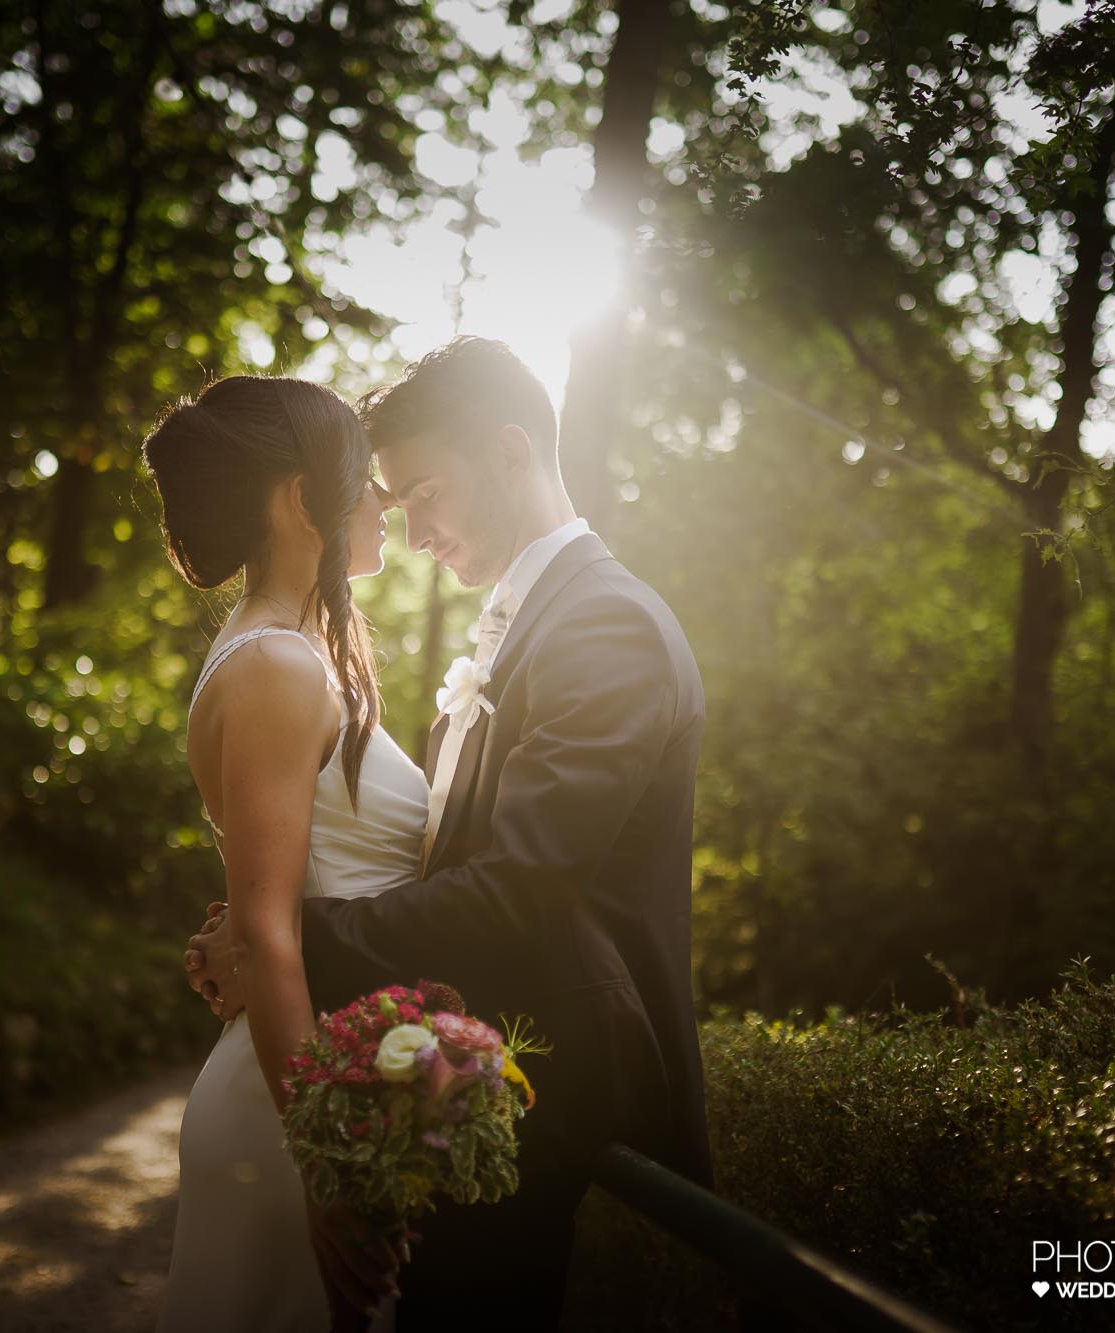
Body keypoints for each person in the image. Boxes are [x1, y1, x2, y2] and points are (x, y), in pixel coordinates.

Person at [185, 337, 710, 1331]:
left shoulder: (603, 624)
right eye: (393, 498)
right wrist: (268, 936)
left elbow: (518, 885)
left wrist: (290, 940)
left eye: (422, 491)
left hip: (559, 1100)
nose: (408, 527)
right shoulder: (524, 623)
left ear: (510, 452)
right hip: (468, 1090)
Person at [148, 375, 416, 1333]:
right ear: (304, 497)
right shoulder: (274, 665)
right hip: (285, 1123)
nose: (384, 498)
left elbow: (280, 900)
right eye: (365, 480)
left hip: (300, 1096)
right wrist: (330, 1165)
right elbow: (266, 933)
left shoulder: (290, 652)